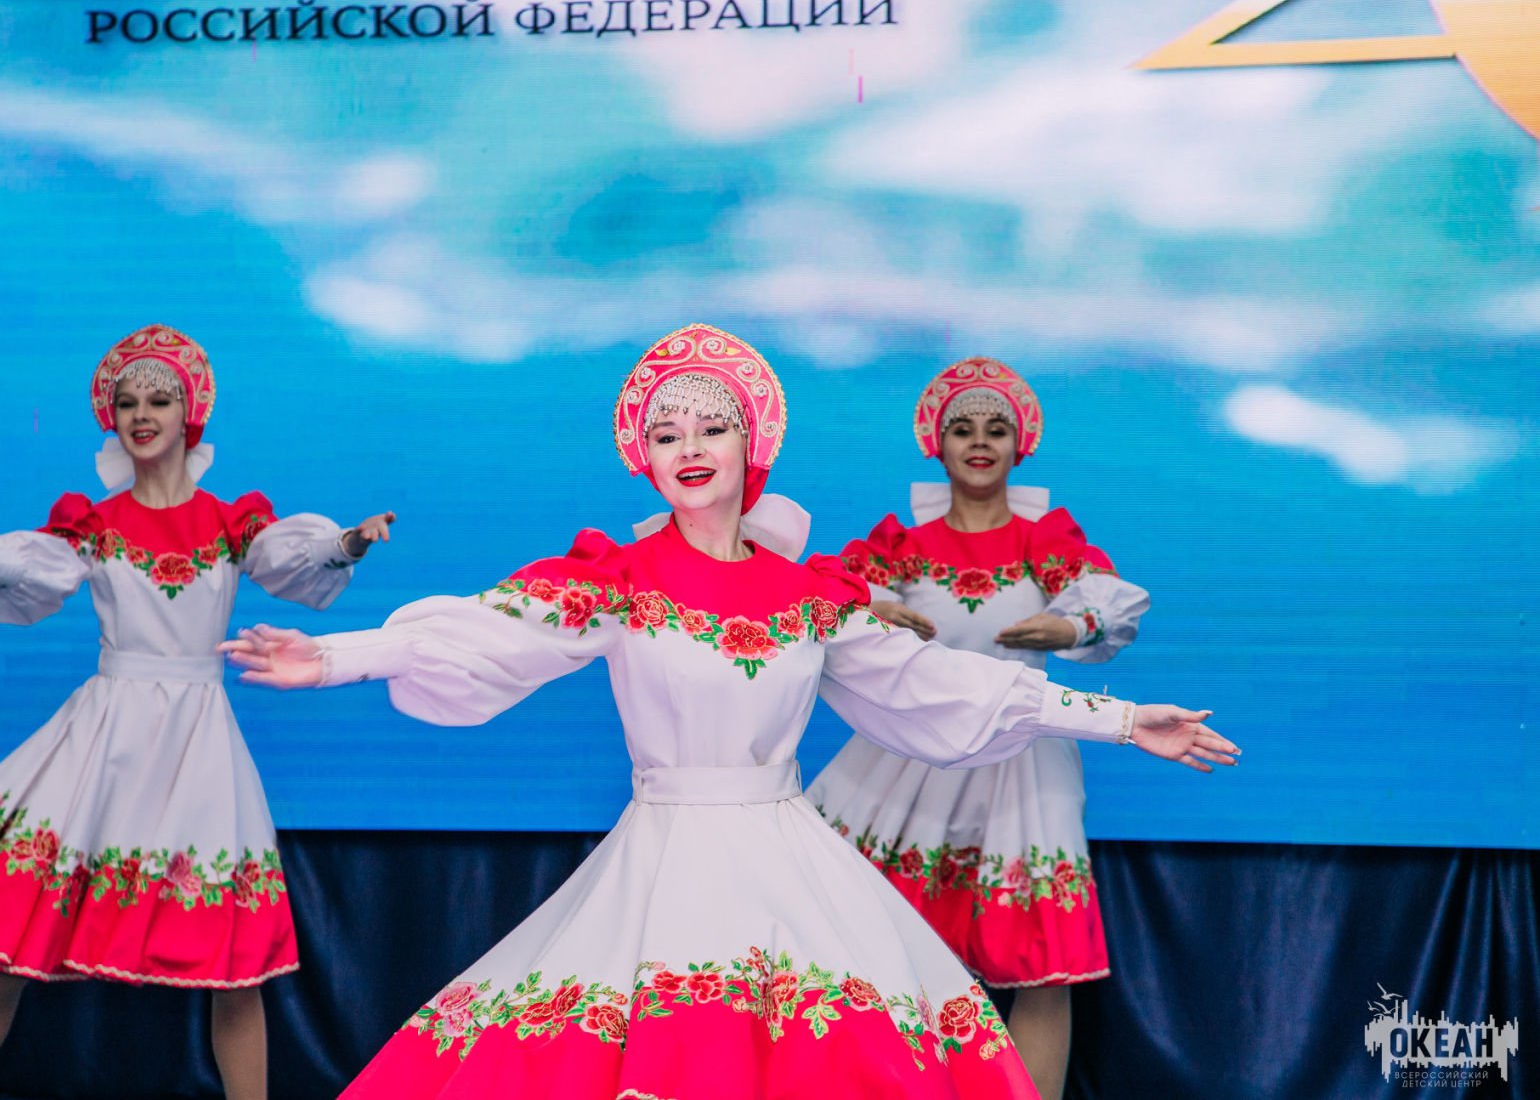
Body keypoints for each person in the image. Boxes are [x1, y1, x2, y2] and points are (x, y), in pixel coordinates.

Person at [222, 324, 1235, 1100]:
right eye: (667, 433)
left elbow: (943, 686)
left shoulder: (811, 594)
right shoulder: (616, 579)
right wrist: (336, 657)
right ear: (644, 456)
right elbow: (487, 627)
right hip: (663, 856)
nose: (690, 446)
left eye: (712, 426)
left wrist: (1119, 718)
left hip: (791, 861)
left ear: (753, 443)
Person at [0, 325, 395, 1100]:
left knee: (234, 967)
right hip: (104, 738)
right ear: (111, 417)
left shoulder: (231, 523)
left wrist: (350, 542)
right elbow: (35, 570)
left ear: (190, 414)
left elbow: (291, 561)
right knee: (7, 946)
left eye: (158, 400)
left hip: (197, 742)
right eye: (127, 403)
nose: (142, 415)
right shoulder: (94, 523)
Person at [805, 357, 1150, 1100]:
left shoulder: (1045, 542)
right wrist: (874, 609)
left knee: (1042, 970)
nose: (981, 442)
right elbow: (825, 594)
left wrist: (1068, 625)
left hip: (1024, 763)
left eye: (997, 429)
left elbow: (1108, 603)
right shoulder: (902, 544)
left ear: (1020, 445)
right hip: (913, 760)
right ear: (938, 444)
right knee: (887, 956)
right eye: (964, 429)